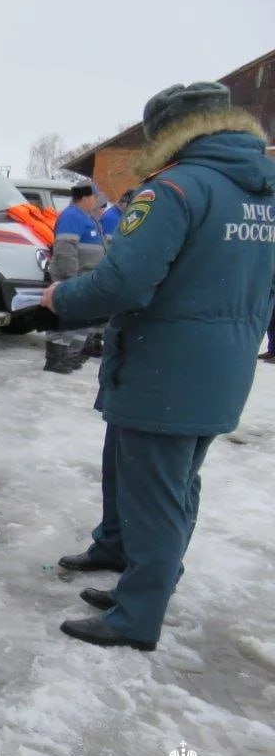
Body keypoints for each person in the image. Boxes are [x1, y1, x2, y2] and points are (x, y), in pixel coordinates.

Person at [43, 81, 275, 651]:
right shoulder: (262, 192)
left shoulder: (173, 190)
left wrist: (60, 300)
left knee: (155, 494)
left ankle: (136, 616)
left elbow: (123, 281)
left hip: (166, 367)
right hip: (222, 365)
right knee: (174, 484)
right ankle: (148, 581)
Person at [43, 182, 107, 373]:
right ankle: (56, 359)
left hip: (85, 278)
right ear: (86, 198)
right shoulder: (72, 216)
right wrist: (71, 277)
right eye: (95, 197)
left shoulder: (86, 217)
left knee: (79, 320)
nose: (97, 202)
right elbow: (64, 249)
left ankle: (71, 356)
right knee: (63, 319)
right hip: (72, 278)